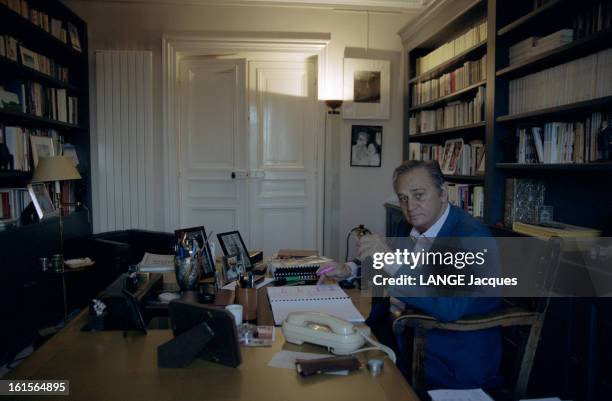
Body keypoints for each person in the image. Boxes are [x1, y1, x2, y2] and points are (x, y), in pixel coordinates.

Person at [318, 160, 502, 391]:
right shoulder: (409, 227)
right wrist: (350, 269)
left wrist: (393, 267)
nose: (410, 206)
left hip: (446, 359)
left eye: (418, 195)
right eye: (403, 198)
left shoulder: (471, 237)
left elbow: (449, 305)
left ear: (443, 194)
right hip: (394, 338)